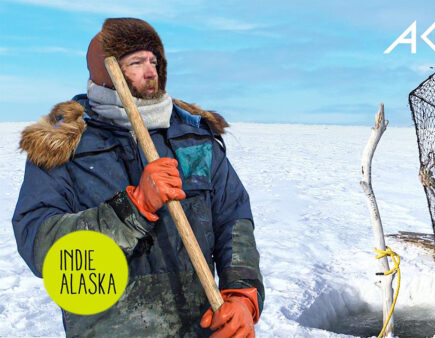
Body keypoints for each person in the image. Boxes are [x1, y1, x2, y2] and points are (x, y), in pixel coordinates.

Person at [12, 18, 264, 337]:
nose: (151, 72)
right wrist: (132, 208)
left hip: (200, 329)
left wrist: (242, 297)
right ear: (107, 73)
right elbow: (38, 244)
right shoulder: (62, 147)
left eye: (153, 61)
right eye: (136, 62)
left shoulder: (192, 139)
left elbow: (234, 220)